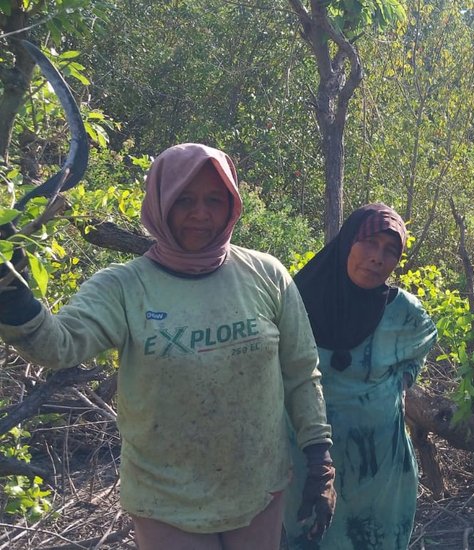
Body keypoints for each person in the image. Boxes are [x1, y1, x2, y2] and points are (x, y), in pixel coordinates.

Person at [0, 143, 336, 549]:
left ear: (232, 205)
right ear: (160, 203)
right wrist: (12, 293)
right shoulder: (124, 287)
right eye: (184, 200)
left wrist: (320, 462)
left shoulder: (265, 275)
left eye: (215, 199)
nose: (201, 213)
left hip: (258, 489)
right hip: (166, 501)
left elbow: (301, 372)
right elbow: (59, 346)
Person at [282, 203, 437, 549]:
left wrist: (401, 381)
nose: (377, 258)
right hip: (308, 466)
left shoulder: (402, 312)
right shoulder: (295, 302)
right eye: (369, 243)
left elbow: (425, 340)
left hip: (380, 470)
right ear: (348, 241)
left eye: (390, 251)